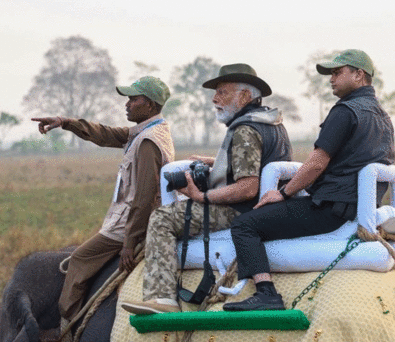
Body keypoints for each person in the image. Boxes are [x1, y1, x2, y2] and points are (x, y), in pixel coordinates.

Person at [223, 49, 395, 312]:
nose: (331, 79)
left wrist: (284, 193)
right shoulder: (382, 115)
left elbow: (316, 164)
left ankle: (266, 293)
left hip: (331, 208)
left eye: (338, 73)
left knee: (245, 224)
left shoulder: (345, 111)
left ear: (359, 75)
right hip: (358, 206)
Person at [121, 63, 292, 315]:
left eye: (222, 92)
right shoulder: (272, 122)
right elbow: (255, 165)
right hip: (264, 207)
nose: (214, 99)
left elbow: (247, 187)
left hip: (241, 209)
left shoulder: (245, 129)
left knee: (162, 217)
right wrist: (220, 163)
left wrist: (203, 196)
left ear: (245, 96)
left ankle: (162, 299)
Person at [32, 76, 175, 322]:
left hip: (130, 224)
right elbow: (104, 134)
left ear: (150, 105)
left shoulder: (149, 141)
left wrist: (130, 242)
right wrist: (65, 122)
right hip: (127, 219)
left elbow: (144, 198)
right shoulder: (145, 132)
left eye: (134, 99)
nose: (127, 104)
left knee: (79, 258)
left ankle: (70, 326)